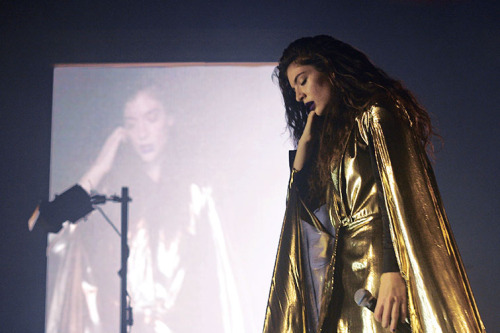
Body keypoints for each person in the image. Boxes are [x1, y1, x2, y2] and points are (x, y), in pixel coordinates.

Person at [263, 35, 485, 332]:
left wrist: (394, 272)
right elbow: (303, 212)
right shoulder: (335, 138)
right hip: (344, 275)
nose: (299, 95)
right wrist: (304, 146)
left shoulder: (376, 116)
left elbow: (398, 198)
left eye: (302, 81)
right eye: (293, 89)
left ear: (329, 69)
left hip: (380, 265)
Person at [47, 84, 244, 333]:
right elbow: (46, 227)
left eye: (151, 118)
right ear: (122, 131)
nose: (142, 133)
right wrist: (99, 168)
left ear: (169, 119)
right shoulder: (109, 198)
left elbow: (222, 290)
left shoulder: (198, 196)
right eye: (131, 123)